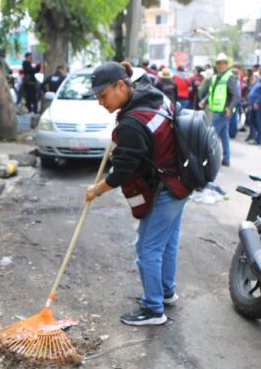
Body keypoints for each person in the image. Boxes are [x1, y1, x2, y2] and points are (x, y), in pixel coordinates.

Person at [84, 61, 190, 326]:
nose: (101, 103)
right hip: (183, 181)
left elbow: (120, 173)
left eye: (103, 96)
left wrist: (96, 190)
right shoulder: (151, 93)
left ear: (121, 85)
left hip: (166, 187)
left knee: (147, 248)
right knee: (167, 242)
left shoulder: (131, 124)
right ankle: (165, 293)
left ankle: (153, 309)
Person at [199, 53, 238, 166]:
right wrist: (204, 100)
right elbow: (211, 93)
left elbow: (235, 95)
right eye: (218, 63)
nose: (220, 65)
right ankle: (226, 159)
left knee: (213, 135)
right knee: (224, 135)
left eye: (223, 63)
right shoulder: (215, 77)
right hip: (216, 110)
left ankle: (211, 160)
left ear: (226, 64)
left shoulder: (229, 77)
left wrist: (230, 108)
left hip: (223, 112)